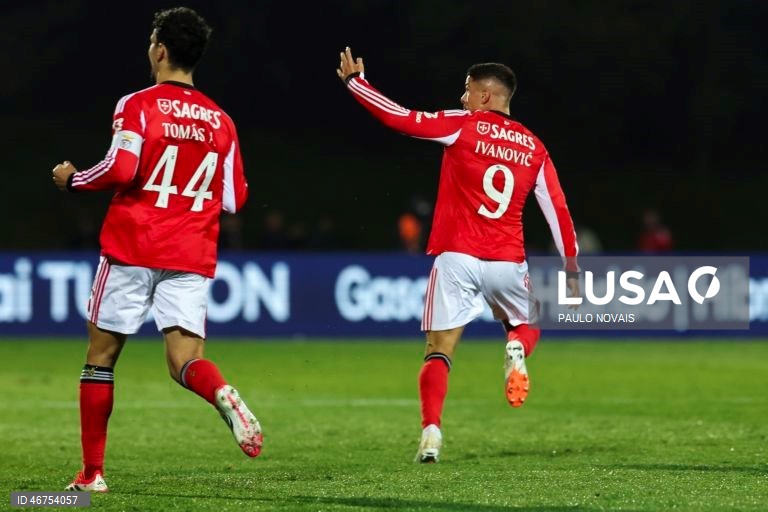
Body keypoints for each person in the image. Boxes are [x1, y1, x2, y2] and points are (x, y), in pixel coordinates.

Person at [51, 7, 262, 492]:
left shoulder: (137, 104)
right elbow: (235, 197)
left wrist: (73, 180)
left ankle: (91, 477)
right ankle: (221, 391)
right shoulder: (221, 120)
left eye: (151, 42)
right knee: (185, 360)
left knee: (99, 359)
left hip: (133, 244)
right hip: (189, 252)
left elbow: (122, 169)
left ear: (160, 50)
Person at [337, 47, 580, 462]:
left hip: (457, 258)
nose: (462, 97)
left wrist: (355, 83)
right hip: (506, 259)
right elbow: (557, 210)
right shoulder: (534, 147)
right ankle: (516, 349)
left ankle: (431, 434)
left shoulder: (462, 125)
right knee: (528, 324)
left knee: (439, 350)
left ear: (485, 96)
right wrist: (572, 267)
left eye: (466, 90)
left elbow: (400, 117)